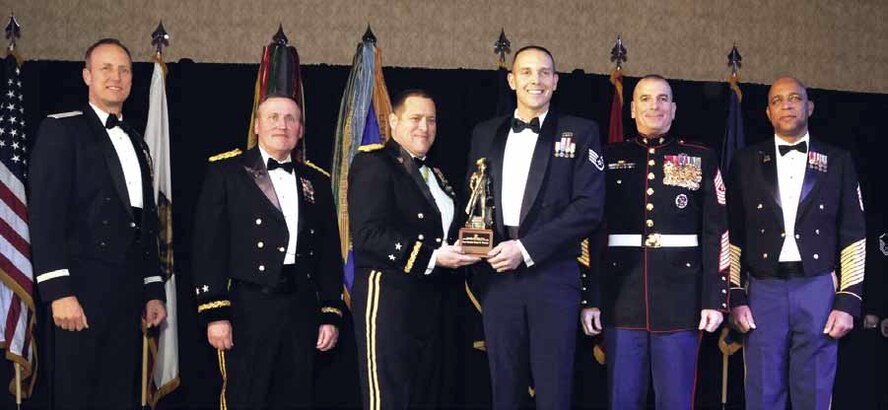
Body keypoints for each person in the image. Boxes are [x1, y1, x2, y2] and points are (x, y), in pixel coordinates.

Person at [28, 38, 167, 408]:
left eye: (124, 70)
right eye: (106, 68)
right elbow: (45, 215)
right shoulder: (62, 130)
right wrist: (59, 292)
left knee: (118, 395)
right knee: (77, 396)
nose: (116, 77)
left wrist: (153, 288)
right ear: (87, 75)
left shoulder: (138, 143)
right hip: (79, 292)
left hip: (126, 295)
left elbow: (146, 224)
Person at [466, 45, 604, 409]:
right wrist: (476, 248)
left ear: (556, 82)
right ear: (512, 80)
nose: (535, 80)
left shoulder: (582, 131)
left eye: (544, 73)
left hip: (553, 275)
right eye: (526, 72)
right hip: (497, 277)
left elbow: (589, 208)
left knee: (554, 387)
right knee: (504, 386)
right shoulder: (484, 132)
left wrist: (524, 250)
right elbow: (474, 201)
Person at [580, 75, 728, 409]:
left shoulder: (700, 157)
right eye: (645, 99)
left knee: (675, 401)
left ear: (674, 109)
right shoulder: (606, 157)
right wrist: (592, 296)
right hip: (622, 299)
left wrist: (713, 298)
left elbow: (716, 233)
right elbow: (591, 230)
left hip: (681, 301)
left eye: (663, 99)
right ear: (632, 109)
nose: (655, 106)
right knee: (622, 399)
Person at [191, 94, 344, 408]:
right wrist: (215, 312)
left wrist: (330, 312)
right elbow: (208, 247)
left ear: (300, 130)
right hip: (248, 306)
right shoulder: (227, 171)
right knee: (246, 397)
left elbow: (328, 252)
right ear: (257, 126)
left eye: (290, 119)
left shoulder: (316, 179)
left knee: (296, 396)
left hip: (301, 306)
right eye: (273, 117)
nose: (282, 125)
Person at [727, 76, 866, 409]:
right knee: (762, 392)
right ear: (768, 112)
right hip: (763, 289)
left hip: (817, 286)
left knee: (815, 391)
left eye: (794, 98)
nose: (786, 105)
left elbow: (853, 233)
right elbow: (731, 233)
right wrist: (735, 294)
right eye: (777, 100)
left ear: (810, 107)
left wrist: (848, 300)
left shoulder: (837, 160)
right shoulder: (746, 161)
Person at [348, 89, 479, 409]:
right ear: (393, 121)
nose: (424, 127)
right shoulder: (374, 163)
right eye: (415, 118)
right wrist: (433, 257)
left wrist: (469, 246)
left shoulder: (436, 174)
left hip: (433, 299)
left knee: (426, 394)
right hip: (390, 296)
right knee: (390, 396)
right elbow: (368, 235)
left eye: (431, 120)